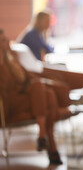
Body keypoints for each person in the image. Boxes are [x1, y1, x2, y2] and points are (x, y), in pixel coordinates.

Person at [0, 29, 63, 164]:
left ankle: (45, 139)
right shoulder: (2, 64)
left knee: (48, 93)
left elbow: (28, 77)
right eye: (3, 40)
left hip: (25, 99)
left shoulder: (12, 59)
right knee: (43, 93)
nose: (7, 43)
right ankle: (49, 144)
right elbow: (4, 90)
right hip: (9, 105)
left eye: (6, 39)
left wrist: (40, 81)